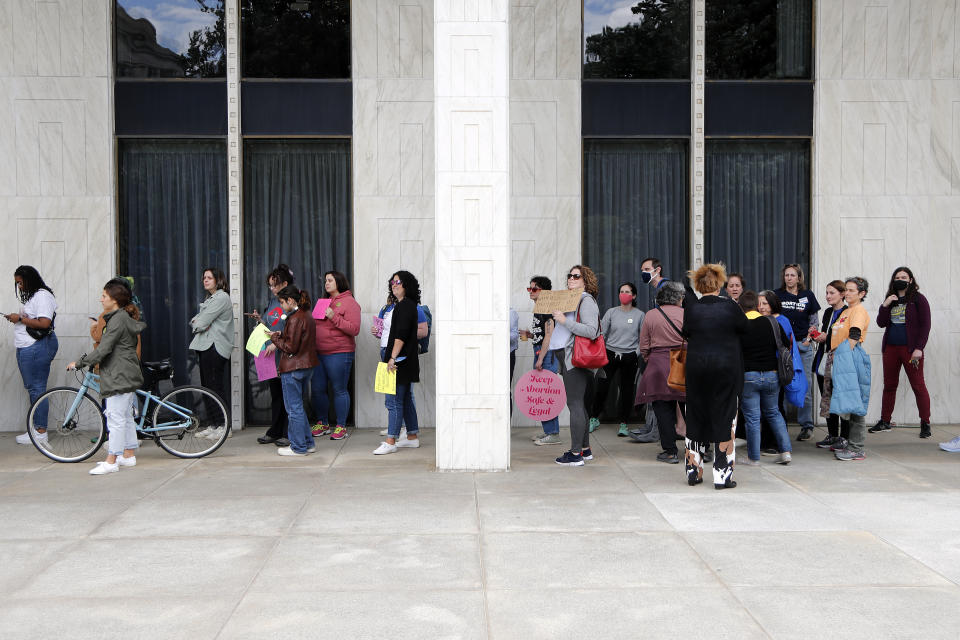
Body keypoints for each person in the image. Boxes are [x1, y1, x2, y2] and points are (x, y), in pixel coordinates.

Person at [67, 280, 146, 474]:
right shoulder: (121, 317)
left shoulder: (117, 319)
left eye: (104, 296)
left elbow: (104, 348)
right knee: (125, 416)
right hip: (124, 372)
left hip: (119, 374)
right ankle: (128, 455)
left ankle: (112, 460)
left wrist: (79, 363)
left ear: (114, 299)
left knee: (115, 418)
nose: (100, 299)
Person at [681, 263, 746, 489]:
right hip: (725, 368)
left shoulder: (692, 308)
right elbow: (744, 329)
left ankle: (694, 471)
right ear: (720, 284)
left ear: (698, 285)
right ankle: (722, 476)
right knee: (725, 417)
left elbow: (686, 332)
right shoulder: (731, 308)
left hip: (697, 369)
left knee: (696, 416)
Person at [871, 267, 932, 438]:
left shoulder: (919, 299)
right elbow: (881, 323)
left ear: (910, 280)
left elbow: (925, 326)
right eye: (897, 277)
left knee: (918, 386)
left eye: (904, 277)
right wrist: (885, 305)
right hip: (890, 348)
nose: (900, 279)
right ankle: (885, 421)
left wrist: (919, 348)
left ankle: (925, 422)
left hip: (910, 350)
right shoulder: (891, 299)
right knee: (889, 386)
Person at [551, 265, 602, 466]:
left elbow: (592, 331)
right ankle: (585, 449)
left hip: (576, 359)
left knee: (575, 405)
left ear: (585, 280)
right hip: (569, 357)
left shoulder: (586, 300)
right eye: (569, 275)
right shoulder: (572, 299)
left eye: (576, 276)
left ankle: (575, 455)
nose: (571, 279)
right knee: (578, 404)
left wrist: (563, 320)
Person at [6, 266, 59, 445]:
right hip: (27, 346)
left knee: (37, 389)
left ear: (30, 279)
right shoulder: (35, 296)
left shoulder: (42, 296)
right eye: (17, 283)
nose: (19, 287)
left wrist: (19, 319)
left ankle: (40, 432)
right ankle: (37, 429)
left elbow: (44, 323)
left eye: (20, 282)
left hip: (36, 346)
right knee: (33, 388)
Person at [739, 290, 793, 465]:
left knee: (753, 418)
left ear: (741, 307)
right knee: (774, 413)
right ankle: (785, 452)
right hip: (772, 374)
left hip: (749, 376)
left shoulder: (739, 325)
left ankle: (753, 458)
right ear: (757, 305)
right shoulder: (772, 322)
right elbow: (785, 344)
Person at [635, 281, 686, 463]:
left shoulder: (651, 315)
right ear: (679, 298)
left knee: (663, 409)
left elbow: (644, 344)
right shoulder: (686, 314)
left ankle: (670, 452)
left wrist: (651, 359)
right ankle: (698, 449)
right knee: (690, 407)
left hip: (658, 364)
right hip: (683, 361)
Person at [822, 277, 871, 461]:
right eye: (847, 290)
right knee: (846, 403)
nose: (848, 293)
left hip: (849, 358)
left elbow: (854, 336)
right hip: (840, 358)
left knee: (854, 403)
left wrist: (843, 358)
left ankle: (857, 447)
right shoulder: (847, 311)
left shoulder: (858, 311)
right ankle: (850, 444)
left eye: (852, 290)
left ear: (861, 294)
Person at [374, 271, 422, 455]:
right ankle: (411, 437)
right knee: (406, 399)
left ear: (406, 285)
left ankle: (391, 440)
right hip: (406, 360)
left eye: (398, 282)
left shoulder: (404, 307)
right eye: (392, 282)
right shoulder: (407, 305)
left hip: (399, 361)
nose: (394, 285)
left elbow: (400, 335)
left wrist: (392, 357)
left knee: (393, 401)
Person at [268, 285, 319, 457]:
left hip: (293, 368)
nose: (282, 306)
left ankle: (298, 447)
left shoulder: (295, 318)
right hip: (306, 366)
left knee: (294, 408)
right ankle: (307, 443)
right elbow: (297, 340)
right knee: (298, 407)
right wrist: (282, 335)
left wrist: (274, 338)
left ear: (290, 300)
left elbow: (290, 347)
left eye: (282, 302)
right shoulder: (306, 315)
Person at [311, 270, 360, 441]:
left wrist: (334, 318)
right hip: (318, 353)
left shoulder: (350, 302)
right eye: (325, 281)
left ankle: (341, 426)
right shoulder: (323, 302)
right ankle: (323, 423)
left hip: (339, 353)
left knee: (339, 390)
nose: (327, 283)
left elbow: (354, 329)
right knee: (317, 390)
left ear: (339, 282)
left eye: (330, 280)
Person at [589, 282, 644, 437]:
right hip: (610, 354)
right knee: (602, 387)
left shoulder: (640, 315)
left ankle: (624, 423)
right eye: (621, 291)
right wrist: (602, 352)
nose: (623, 294)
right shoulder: (611, 312)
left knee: (627, 390)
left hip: (630, 357)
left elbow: (643, 338)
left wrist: (635, 353)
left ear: (633, 296)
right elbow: (602, 334)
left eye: (627, 291)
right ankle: (594, 418)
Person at [773, 264, 821, 441]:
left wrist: (809, 339)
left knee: (804, 386)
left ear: (799, 278)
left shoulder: (807, 296)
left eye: (793, 275)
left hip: (802, 346)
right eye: (787, 275)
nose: (789, 278)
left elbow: (814, 321)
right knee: (782, 385)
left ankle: (806, 425)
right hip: (783, 348)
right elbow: (771, 317)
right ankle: (782, 425)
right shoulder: (777, 295)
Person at [248, 264, 293, 447]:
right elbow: (270, 324)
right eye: (270, 286)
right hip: (269, 355)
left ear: (285, 284)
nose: (273, 289)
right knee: (276, 394)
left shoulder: (290, 301)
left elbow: (292, 327)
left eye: (275, 285)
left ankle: (287, 431)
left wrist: (278, 342)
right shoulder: (273, 301)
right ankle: (275, 430)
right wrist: (260, 319)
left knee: (288, 396)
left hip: (284, 353)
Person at [189, 268, 234, 439]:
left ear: (218, 280)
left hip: (215, 347)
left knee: (215, 387)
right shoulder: (210, 298)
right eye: (204, 278)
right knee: (208, 387)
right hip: (206, 346)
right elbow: (196, 321)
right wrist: (199, 321)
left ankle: (224, 426)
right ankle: (214, 424)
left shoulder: (221, 297)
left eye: (209, 278)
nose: (205, 280)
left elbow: (200, 322)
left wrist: (200, 322)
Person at [521, 276, 561, 446]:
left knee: (546, 394)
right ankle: (548, 431)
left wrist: (541, 358)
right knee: (541, 394)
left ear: (544, 291)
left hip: (546, 355)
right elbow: (543, 334)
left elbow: (550, 335)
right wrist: (531, 335)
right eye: (529, 289)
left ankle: (553, 434)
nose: (531, 292)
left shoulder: (547, 308)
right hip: (540, 351)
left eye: (534, 289)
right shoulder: (539, 308)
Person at [811, 280, 850, 450]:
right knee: (827, 398)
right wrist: (815, 335)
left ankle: (844, 437)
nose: (828, 296)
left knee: (841, 399)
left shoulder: (848, 312)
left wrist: (827, 338)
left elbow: (848, 337)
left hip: (840, 361)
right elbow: (825, 333)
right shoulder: (827, 312)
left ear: (842, 294)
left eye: (832, 293)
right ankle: (833, 434)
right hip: (823, 360)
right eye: (827, 293)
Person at [509, 307, 519, 417]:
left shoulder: (511, 312)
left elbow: (514, 335)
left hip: (507, 354)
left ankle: (506, 425)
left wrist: (498, 333)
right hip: (490, 355)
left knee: (505, 390)